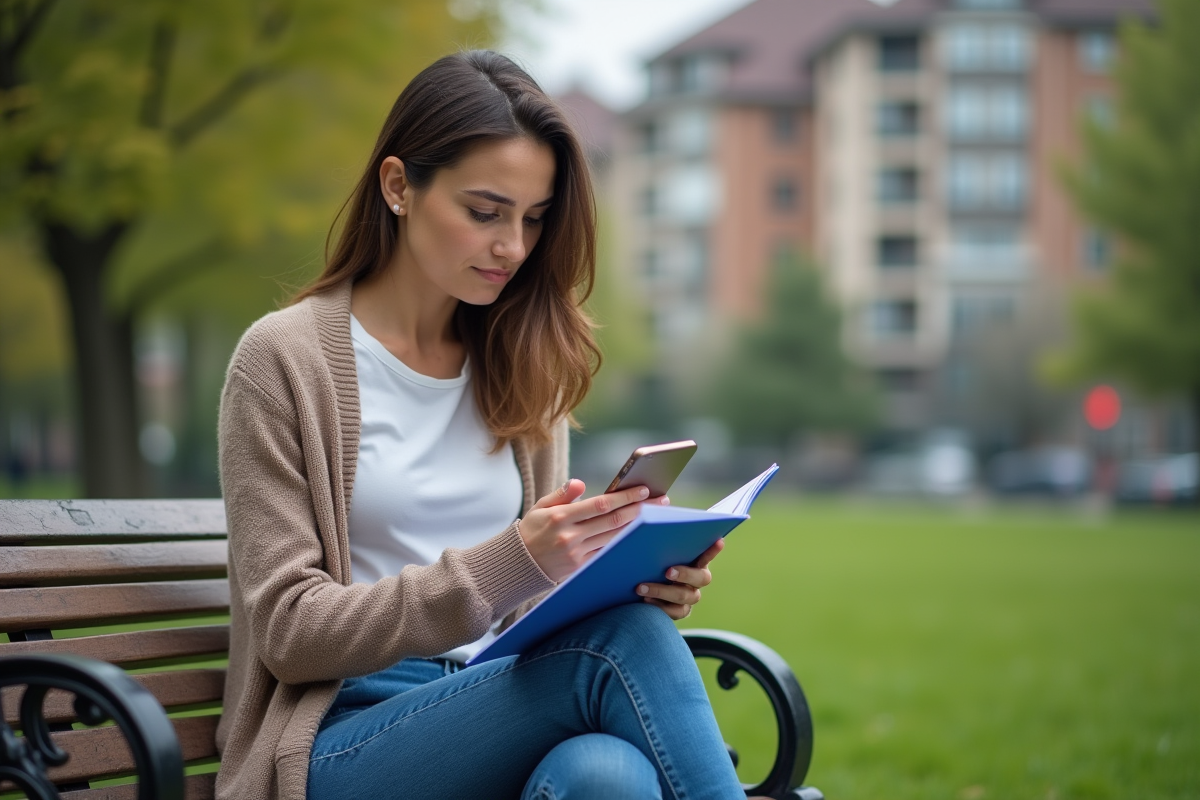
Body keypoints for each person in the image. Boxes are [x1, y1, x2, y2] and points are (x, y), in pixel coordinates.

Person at [216, 50, 748, 800]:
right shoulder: (284, 361)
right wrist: (511, 560)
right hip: (337, 738)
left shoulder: (520, 363)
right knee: (620, 651)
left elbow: (528, 613)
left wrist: (621, 578)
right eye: (485, 211)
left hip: (491, 700)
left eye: (533, 219)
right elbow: (289, 632)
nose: (514, 247)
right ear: (399, 186)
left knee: (608, 777)